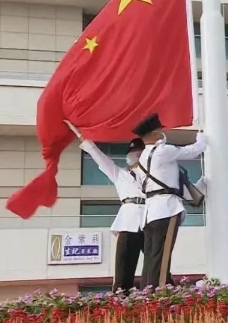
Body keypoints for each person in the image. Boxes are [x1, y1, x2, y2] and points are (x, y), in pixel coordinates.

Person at [64, 121, 146, 294]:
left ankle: (162, 297)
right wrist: (81, 135)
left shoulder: (154, 173)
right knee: (124, 268)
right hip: (128, 221)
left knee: (157, 265)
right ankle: (121, 300)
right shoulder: (119, 174)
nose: (136, 155)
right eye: (133, 152)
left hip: (150, 219)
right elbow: (98, 156)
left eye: (139, 152)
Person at [132, 113, 207, 288]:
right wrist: (201, 138)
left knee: (151, 257)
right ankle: (158, 295)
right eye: (158, 130)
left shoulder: (143, 156)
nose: (161, 133)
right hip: (166, 208)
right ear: (153, 134)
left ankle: (146, 293)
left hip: (150, 213)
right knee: (162, 256)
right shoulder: (163, 151)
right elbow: (192, 151)